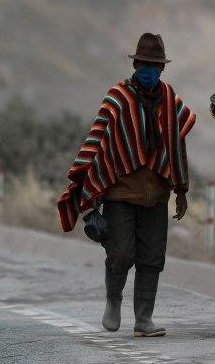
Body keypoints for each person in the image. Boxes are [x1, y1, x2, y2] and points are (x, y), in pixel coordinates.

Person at [57, 33, 196, 337]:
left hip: (156, 194)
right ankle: (113, 299)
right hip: (120, 192)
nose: (149, 70)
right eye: (144, 64)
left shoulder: (170, 98)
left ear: (162, 69)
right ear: (135, 64)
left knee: (152, 259)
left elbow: (177, 145)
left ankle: (144, 319)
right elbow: (96, 145)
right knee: (121, 253)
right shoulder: (117, 97)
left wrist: (181, 189)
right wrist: (90, 199)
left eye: (155, 66)